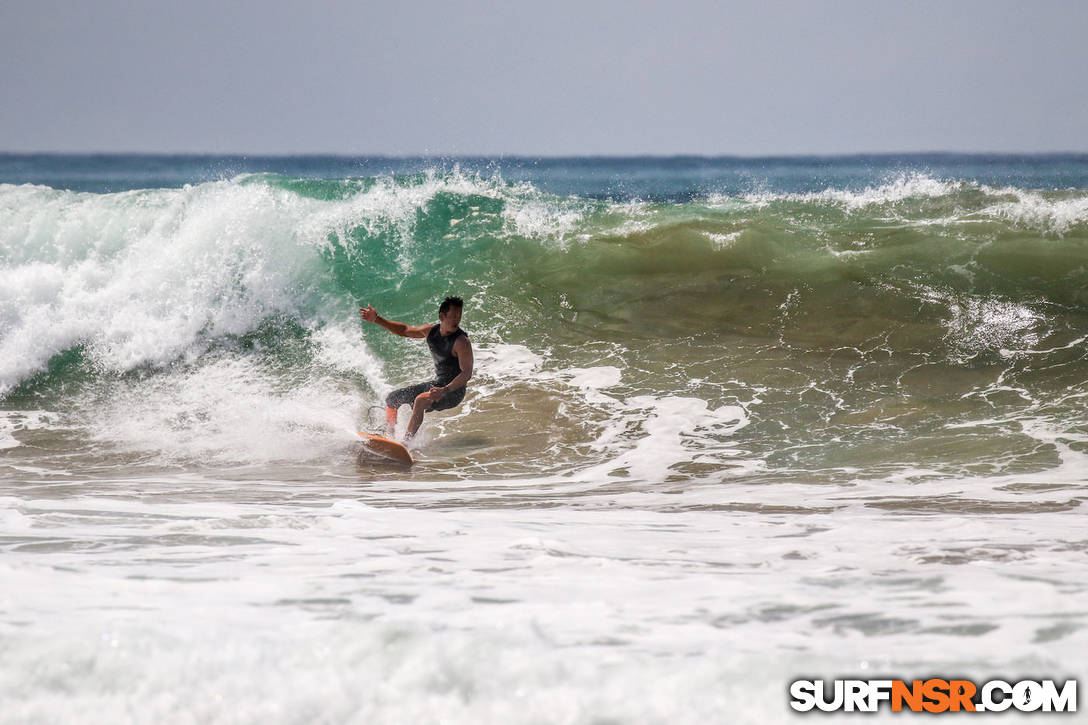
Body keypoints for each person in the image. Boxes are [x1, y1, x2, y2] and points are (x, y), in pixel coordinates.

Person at [359, 296, 474, 440]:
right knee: (392, 399)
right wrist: (377, 319)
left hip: (454, 391)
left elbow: (467, 373)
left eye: (459, 315)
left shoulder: (461, 342)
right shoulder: (430, 331)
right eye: (454, 315)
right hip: (437, 385)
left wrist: (445, 390)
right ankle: (388, 435)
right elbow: (405, 330)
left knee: (419, 401)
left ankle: (406, 443)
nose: (457, 320)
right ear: (442, 316)